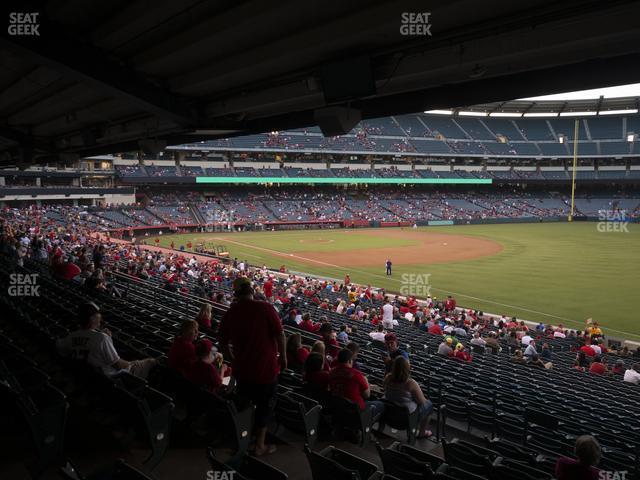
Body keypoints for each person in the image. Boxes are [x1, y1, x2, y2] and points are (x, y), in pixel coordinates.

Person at [220, 277, 286, 456]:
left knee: (244, 405)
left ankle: (242, 439)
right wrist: (285, 358)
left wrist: (234, 360)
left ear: (236, 293)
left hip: (242, 371)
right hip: (266, 370)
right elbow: (280, 335)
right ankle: (260, 446)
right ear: (251, 291)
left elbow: (223, 343)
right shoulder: (265, 307)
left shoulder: (231, 312)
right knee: (264, 407)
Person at [57, 302, 156, 379]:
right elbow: (118, 365)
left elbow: (61, 347)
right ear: (92, 318)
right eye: (98, 314)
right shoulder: (102, 338)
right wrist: (133, 363)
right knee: (151, 361)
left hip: (87, 375)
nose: (100, 316)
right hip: (112, 378)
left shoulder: (71, 336)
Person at [383, 356, 433, 438]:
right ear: (407, 368)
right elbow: (422, 402)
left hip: (389, 415)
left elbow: (384, 389)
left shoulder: (388, 378)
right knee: (429, 405)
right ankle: (422, 433)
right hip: (405, 419)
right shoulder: (410, 383)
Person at [329, 349, 384, 417]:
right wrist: (366, 380)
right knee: (381, 404)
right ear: (349, 360)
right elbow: (367, 395)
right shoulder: (356, 374)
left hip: (338, 408)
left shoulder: (331, 372)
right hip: (356, 412)